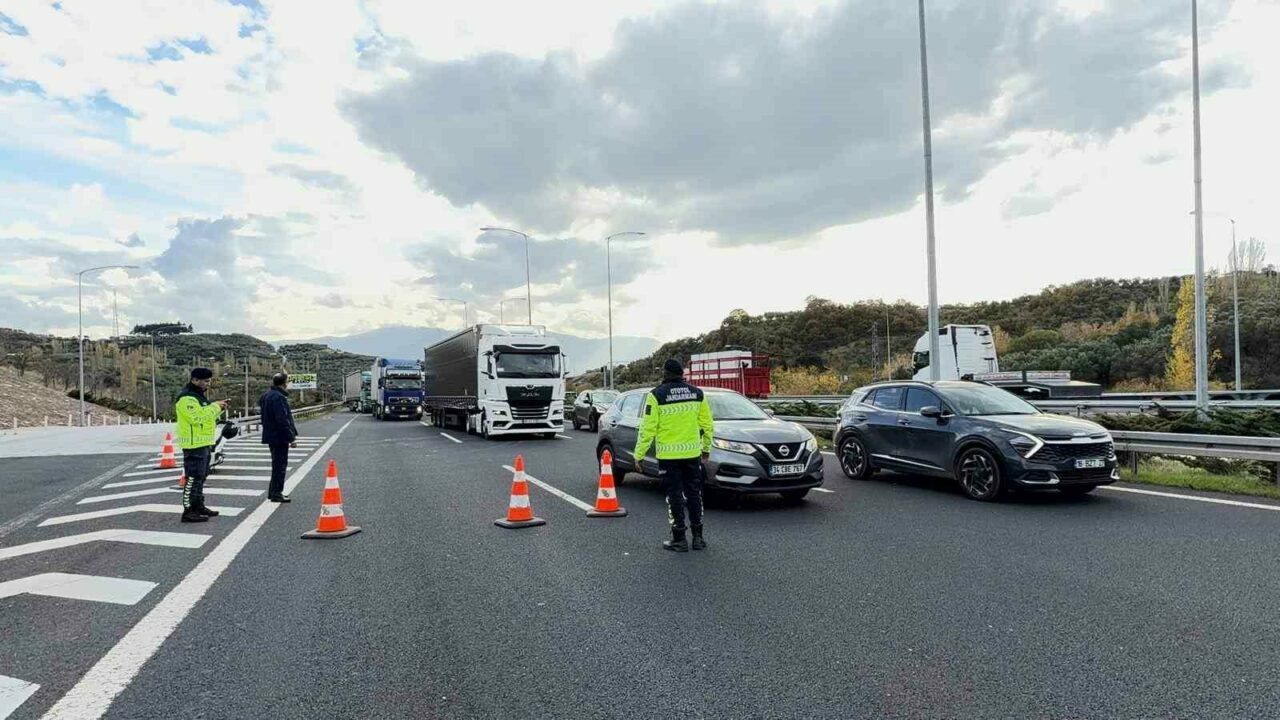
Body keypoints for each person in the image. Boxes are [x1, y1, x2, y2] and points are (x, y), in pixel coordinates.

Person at [634, 358, 715, 552]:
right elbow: (707, 424)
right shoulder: (697, 394)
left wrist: (639, 455)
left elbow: (647, 429)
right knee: (694, 493)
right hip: (692, 454)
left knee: (674, 495)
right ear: (682, 374)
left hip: (669, 457)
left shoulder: (656, 395)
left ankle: (679, 538)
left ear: (665, 373)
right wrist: (706, 448)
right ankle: (698, 538)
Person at [175, 368, 229, 523]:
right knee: (192, 478)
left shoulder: (199, 397)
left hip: (203, 442)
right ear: (195, 380)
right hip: (193, 444)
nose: (208, 384)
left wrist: (219, 409)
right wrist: (215, 407)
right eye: (205, 381)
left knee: (201, 477)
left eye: (209, 381)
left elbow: (206, 418)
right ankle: (188, 511)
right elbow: (197, 418)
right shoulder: (187, 398)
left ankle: (198, 506)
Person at [259, 372, 298, 503]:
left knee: (277, 465)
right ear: (284, 383)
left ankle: (273, 492)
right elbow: (283, 419)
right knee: (280, 466)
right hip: (279, 436)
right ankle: (276, 493)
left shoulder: (266, 395)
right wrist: (291, 437)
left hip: (271, 435)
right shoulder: (279, 397)